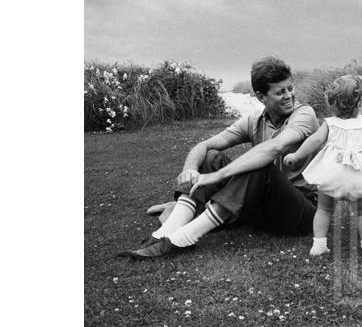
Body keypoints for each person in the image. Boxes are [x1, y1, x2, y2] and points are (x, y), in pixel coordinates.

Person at [119, 57, 319, 259]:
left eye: (290, 88)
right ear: (260, 97)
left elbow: (276, 147)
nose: (289, 96)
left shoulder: (304, 114)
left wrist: (217, 176)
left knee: (260, 164)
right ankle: (169, 229)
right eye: (280, 92)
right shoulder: (253, 121)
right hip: (262, 208)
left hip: (302, 211)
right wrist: (189, 169)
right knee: (210, 157)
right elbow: (204, 145)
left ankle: (184, 238)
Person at [284, 75, 362, 257]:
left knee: (324, 209)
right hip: (358, 176)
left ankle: (319, 244)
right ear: (360, 103)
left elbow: (315, 140)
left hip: (332, 174)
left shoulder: (330, 123)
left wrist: (296, 155)